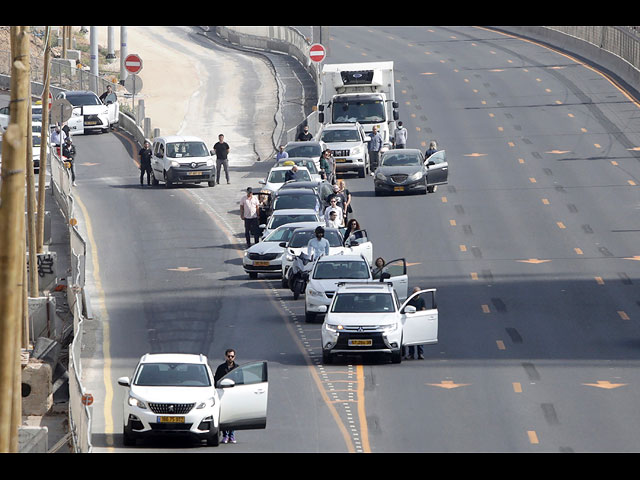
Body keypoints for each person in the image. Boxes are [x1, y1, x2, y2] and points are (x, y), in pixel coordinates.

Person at [214, 349, 239, 444]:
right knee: (224, 415)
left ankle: (232, 435)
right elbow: (216, 381)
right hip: (223, 394)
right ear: (225, 356)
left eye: (232, 356)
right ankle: (225, 435)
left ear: (234, 357)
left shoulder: (237, 368)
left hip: (234, 395)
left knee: (233, 415)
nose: (230, 358)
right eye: (229, 356)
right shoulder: (221, 368)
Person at [404, 287, 426, 360]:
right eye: (415, 292)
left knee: (420, 338)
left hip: (419, 320)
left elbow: (423, 309)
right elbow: (405, 308)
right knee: (411, 338)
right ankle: (411, 354)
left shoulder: (421, 300)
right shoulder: (409, 300)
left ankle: (420, 353)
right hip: (411, 321)